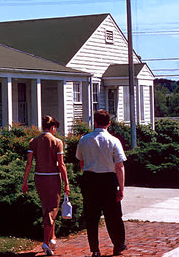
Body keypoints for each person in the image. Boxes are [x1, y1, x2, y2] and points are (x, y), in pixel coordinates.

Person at [76, 109, 127, 257]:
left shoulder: (84, 140)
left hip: (90, 179)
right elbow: (119, 166)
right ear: (109, 123)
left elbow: (81, 161)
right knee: (114, 215)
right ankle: (118, 245)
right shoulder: (114, 141)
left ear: (95, 122)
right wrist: (121, 187)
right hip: (108, 180)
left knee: (92, 216)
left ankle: (95, 249)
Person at [22, 115, 70, 256]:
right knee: (52, 209)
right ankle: (45, 242)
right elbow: (61, 165)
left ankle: (52, 238)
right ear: (53, 127)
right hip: (53, 178)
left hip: (39, 178)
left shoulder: (33, 142)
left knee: (46, 207)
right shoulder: (57, 142)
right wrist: (67, 182)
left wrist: (25, 181)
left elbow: (29, 163)